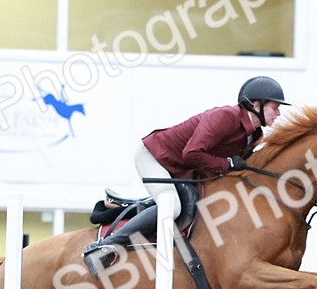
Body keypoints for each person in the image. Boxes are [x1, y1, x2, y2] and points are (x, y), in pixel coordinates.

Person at [83, 76, 290, 273]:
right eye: (275, 107)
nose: (278, 113)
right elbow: (192, 152)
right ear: (256, 105)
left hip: (183, 168)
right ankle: (105, 247)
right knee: (171, 207)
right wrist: (226, 163)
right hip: (155, 156)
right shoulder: (225, 117)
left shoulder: (254, 135)